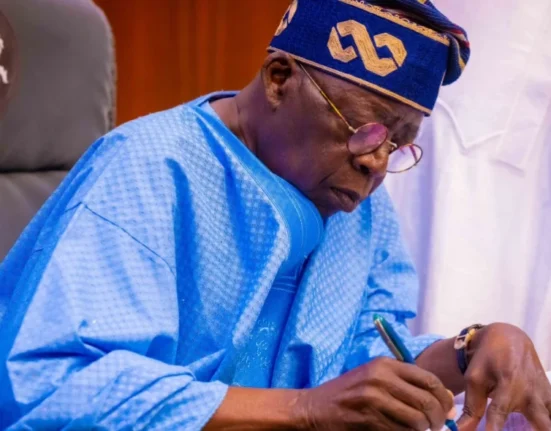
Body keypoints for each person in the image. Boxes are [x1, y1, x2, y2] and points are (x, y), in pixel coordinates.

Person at [0, 0, 549, 429]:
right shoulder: (149, 169)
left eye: (398, 144)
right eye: (366, 131)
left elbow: (370, 358)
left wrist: (470, 350)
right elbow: (53, 388)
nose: (377, 164)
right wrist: (304, 410)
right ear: (279, 78)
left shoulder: (360, 206)